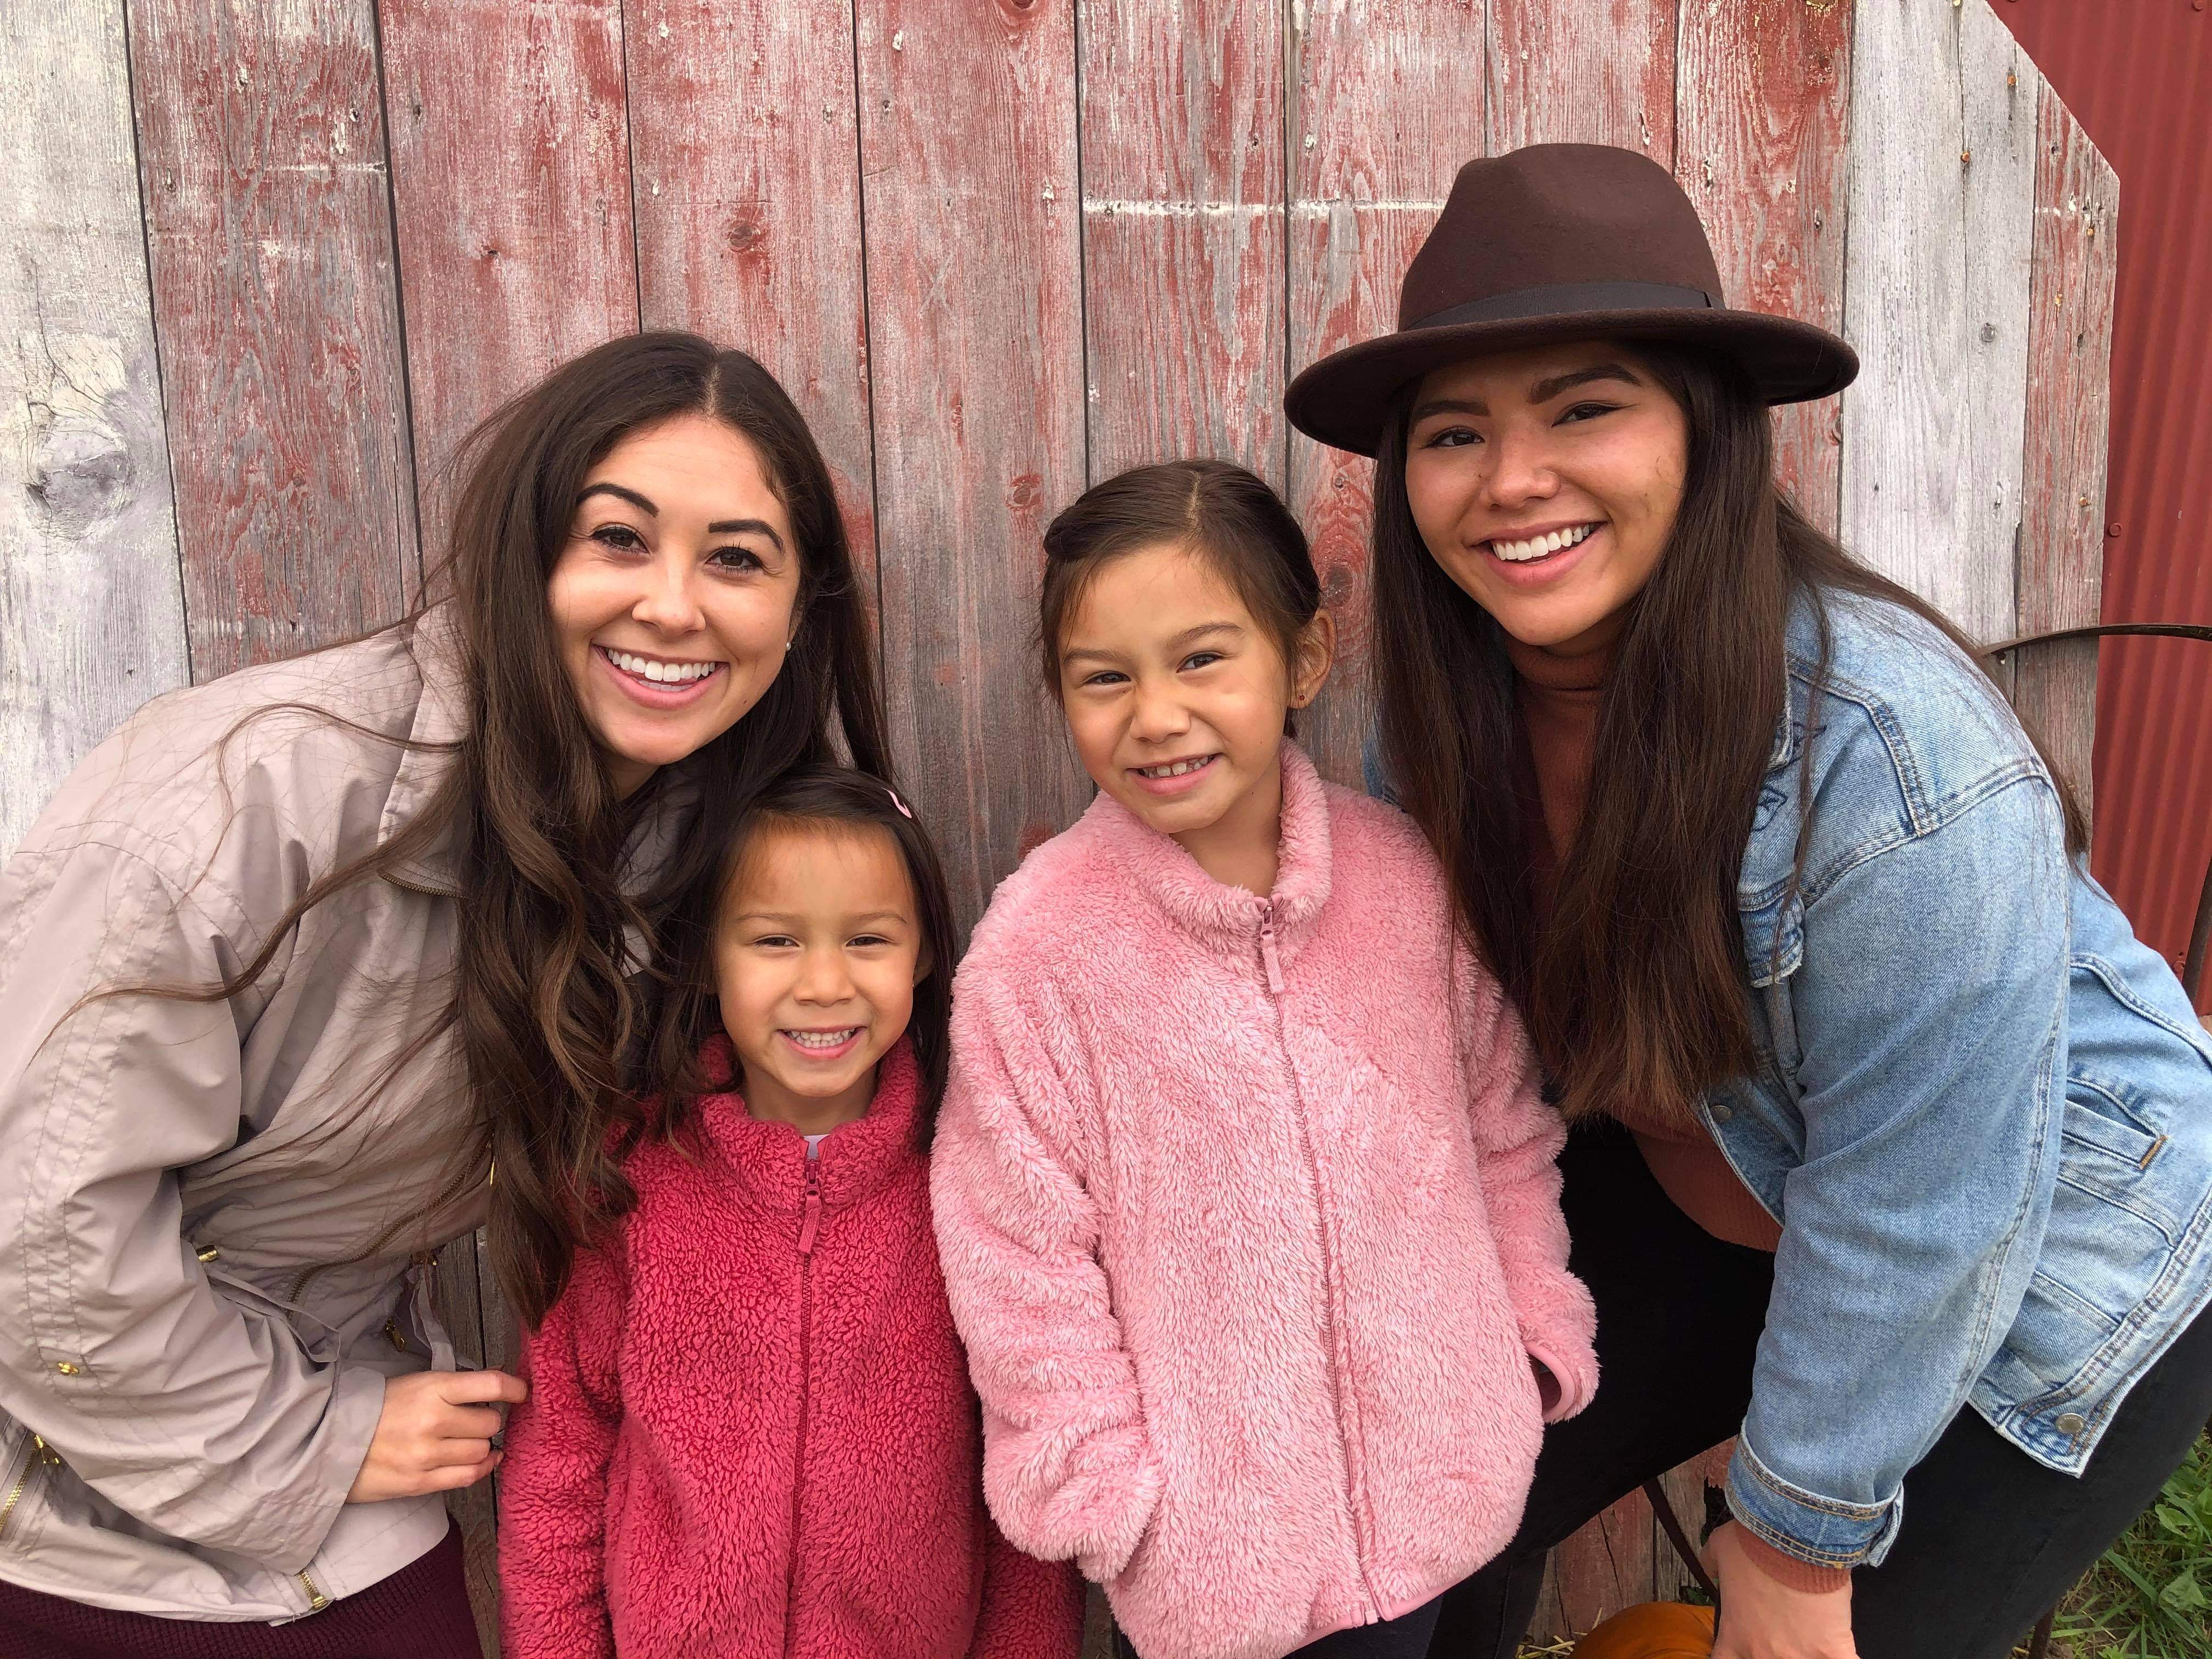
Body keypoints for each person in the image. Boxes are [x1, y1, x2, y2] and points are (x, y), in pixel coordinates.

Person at [1282, 143, 2212, 1659]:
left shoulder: (1896, 763)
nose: (1513, 480)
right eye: (1455, 434)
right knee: (1384, 1533)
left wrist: (1788, 1543)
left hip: (2050, 1240)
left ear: (1707, 438)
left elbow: (1922, 1212)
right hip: (1719, 1184)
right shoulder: (1438, 732)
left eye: (1586, 409)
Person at [0, 332, 887, 1658]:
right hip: (78, 1490)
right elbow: (31, 1224)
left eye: (738, 559)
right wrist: (305, 1444)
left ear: (800, 609)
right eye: (620, 540)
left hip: (345, 1445)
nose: (675, 606)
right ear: (524, 556)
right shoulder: (253, 799)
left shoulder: (695, 850)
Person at [930, 459, 1598, 1659]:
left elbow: (1505, 1127)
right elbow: (1017, 1253)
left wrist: (1532, 1336)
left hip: (1460, 1494)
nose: (1156, 713)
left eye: (1201, 659)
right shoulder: (1038, 957)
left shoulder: (1410, 883)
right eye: (1104, 678)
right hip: (1219, 1572)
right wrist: (1114, 1504)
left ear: (1302, 659)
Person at [496, 766, 1084, 1659]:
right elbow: (560, 1466)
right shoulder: (627, 1182)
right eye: (774, 941)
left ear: (924, 951)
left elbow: (1022, 1487)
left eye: (867, 941)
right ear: (706, 954)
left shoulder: (973, 1182)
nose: (822, 984)